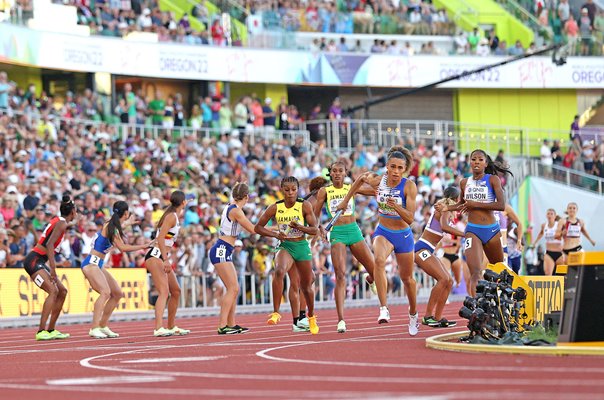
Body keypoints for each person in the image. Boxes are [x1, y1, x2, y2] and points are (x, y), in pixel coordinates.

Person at [337, 146, 419, 335]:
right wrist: (345, 201)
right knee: (379, 261)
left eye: (400, 168)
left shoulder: (409, 186)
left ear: (404, 169)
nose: (396, 172)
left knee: (407, 279)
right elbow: (359, 180)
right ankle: (383, 308)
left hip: (403, 235)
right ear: (387, 167)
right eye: (393, 167)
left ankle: (413, 314)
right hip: (383, 232)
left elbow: (410, 218)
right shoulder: (378, 180)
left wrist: (396, 207)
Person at [436, 149, 512, 297]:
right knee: (475, 272)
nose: (476, 162)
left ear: (485, 163)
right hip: (472, 230)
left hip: (491, 231)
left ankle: (504, 303)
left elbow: (501, 205)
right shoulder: (464, 182)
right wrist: (447, 207)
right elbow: (463, 204)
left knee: (500, 269)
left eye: (480, 159)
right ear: (470, 162)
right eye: (474, 159)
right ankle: (477, 306)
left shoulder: (492, 180)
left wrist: (476, 204)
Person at [313, 161, 378, 333]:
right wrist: (319, 229)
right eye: (333, 171)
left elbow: (374, 192)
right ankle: (341, 319)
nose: (336, 174)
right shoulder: (324, 191)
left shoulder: (351, 188)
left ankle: (370, 279)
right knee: (340, 275)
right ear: (330, 173)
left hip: (354, 230)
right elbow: (314, 215)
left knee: (375, 270)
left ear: (345, 173)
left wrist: (378, 185)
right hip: (337, 233)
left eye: (340, 171)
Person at [255, 176, 320, 334]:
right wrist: (276, 235)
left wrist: (300, 227)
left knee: (306, 284)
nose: (290, 193)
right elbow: (258, 227)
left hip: (301, 245)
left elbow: (314, 229)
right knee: (279, 271)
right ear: (281, 190)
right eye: (287, 190)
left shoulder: (304, 205)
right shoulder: (275, 207)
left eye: (293, 190)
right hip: (286, 245)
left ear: (298, 190)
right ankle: (277, 312)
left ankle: (309, 317)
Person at [82, 201, 153, 338]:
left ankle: (102, 325)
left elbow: (118, 227)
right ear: (125, 213)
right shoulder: (112, 227)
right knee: (105, 292)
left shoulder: (112, 224)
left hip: (98, 263)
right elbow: (123, 248)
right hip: (91, 263)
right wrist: (145, 245)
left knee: (117, 293)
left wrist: (127, 224)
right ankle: (94, 327)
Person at [209, 183, 267, 334]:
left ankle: (231, 323)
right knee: (233, 288)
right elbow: (253, 229)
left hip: (225, 249)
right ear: (246, 197)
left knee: (234, 289)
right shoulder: (235, 210)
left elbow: (253, 228)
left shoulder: (232, 207)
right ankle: (222, 325)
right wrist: (272, 228)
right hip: (222, 249)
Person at [23, 195, 77, 340]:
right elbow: (49, 245)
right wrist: (53, 268)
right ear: (72, 212)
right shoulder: (62, 223)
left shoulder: (57, 220)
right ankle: (41, 331)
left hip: (39, 260)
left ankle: (51, 329)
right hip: (34, 261)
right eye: (75, 211)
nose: (76, 214)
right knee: (53, 291)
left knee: (62, 291)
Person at [144, 190, 191, 337]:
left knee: (176, 291)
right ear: (183, 202)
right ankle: (158, 328)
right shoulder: (171, 216)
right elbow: (160, 238)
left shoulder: (173, 215)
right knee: (164, 292)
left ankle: (171, 326)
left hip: (161, 255)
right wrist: (165, 259)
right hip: (156, 256)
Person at [415, 186, 464, 328]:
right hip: (422, 249)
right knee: (443, 279)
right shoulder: (444, 208)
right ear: (455, 199)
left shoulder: (443, 207)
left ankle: (438, 317)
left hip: (427, 250)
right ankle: (428, 316)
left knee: (448, 281)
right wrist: (464, 234)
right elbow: (444, 227)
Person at [532, 209, 563, 275]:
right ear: (546, 215)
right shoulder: (544, 225)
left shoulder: (559, 225)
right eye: (548, 213)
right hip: (549, 253)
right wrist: (535, 242)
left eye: (551, 214)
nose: (550, 215)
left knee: (562, 274)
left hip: (560, 253)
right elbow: (541, 233)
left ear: (555, 216)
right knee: (548, 274)